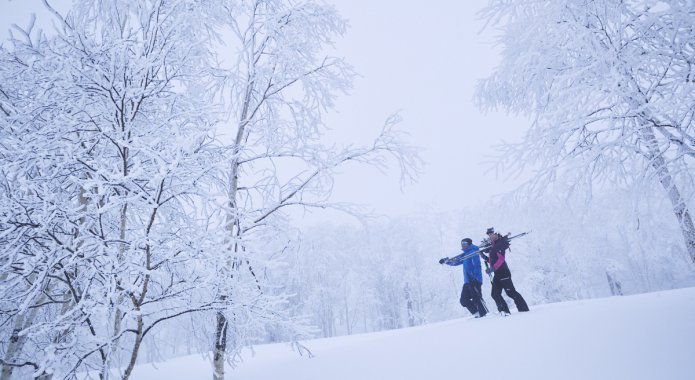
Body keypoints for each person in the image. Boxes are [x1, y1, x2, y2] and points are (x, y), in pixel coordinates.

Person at [480, 227, 529, 315]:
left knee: (510, 292)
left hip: (503, 272)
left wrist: (492, 268)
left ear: (496, 234)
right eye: (489, 235)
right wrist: (485, 257)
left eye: (491, 234)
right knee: (495, 294)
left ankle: (524, 310)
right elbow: (494, 260)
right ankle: (504, 311)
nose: (490, 236)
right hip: (497, 273)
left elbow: (501, 259)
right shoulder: (494, 246)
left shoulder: (500, 244)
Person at [439, 238, 488, 318]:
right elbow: (456, 262)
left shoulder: (473, 252)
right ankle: (477, 313)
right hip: (467, 281)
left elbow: (477, 265)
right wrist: (446, 261)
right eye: (462, 244)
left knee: (477, 299)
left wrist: (475, 277)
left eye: (464, 243)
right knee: (463, 300)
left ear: (469, 244)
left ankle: (484, 314)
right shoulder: (465, 254)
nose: (463, 245)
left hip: (475, 280)